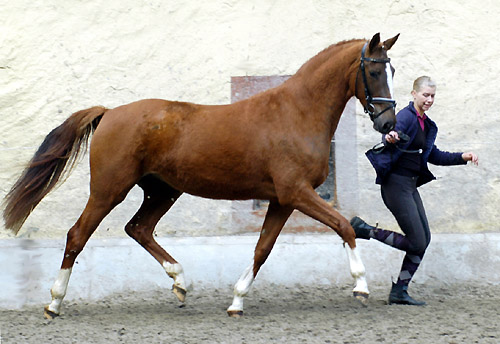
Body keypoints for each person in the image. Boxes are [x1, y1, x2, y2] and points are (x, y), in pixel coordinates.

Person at [351, 76, 478, 306]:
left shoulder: (427, 125)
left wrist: (463, 157)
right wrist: (390, 137)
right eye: (425, 95)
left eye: (432, 96)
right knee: (417, 241)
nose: (429, 100)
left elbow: (434, 156)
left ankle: (400, 290)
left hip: (409, 186)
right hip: (395, 186)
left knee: (424, 239)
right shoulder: (407, 117)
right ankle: (365, 230)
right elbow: (391, 133)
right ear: (414, 94)